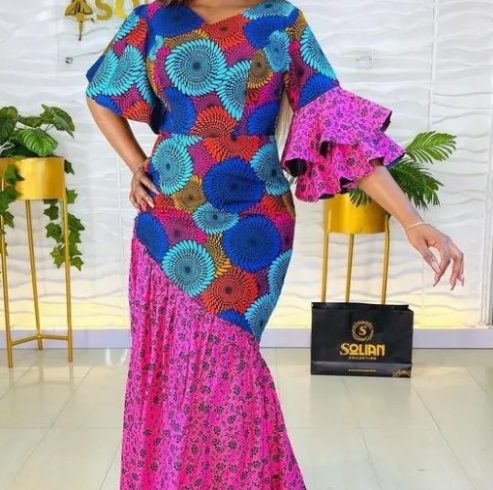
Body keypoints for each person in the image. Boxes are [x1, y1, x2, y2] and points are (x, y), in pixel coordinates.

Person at [85, 0, 464, 488]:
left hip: (255, 223)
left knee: (230, 362)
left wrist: (412, 220)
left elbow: (336, 126)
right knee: (169, 364)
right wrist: (136, 162)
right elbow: (102, 92)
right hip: (168, 215)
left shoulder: (282, 20)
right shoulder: (152, 18)